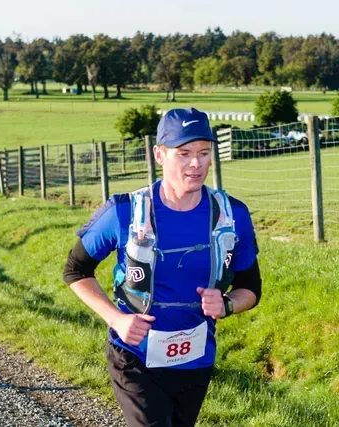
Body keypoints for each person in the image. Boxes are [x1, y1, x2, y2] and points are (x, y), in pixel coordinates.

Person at [63, 107, 262, 427]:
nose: (196, 163)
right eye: (183, 153)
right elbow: (75, 270)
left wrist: (226, 304)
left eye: (203, 152)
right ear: (159, 154)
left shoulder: (232, 214)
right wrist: (116, 318)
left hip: (196, 359)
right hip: (134, 358)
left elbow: (251, 287)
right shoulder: (124, 212)